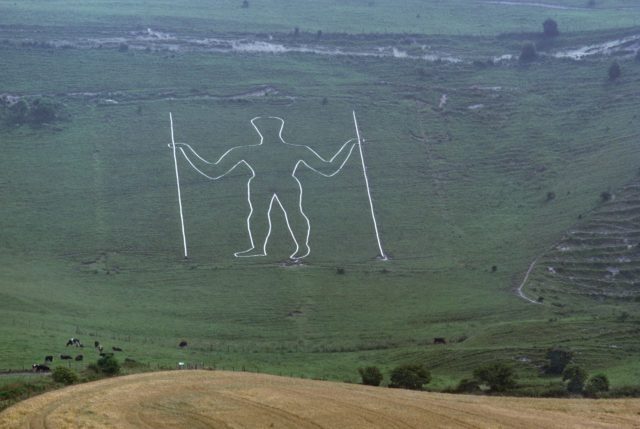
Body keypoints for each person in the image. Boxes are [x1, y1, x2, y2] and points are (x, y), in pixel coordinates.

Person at [171, 116, 357, 260]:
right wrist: (184, 149)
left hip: (283, 182)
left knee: (291, 212)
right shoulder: (249, 151)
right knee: (260, 213)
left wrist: (351, 145)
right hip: (262, 183)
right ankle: (259, 248)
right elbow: (213, 171)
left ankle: (300, 246)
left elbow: (328, 169)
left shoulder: (292, 149)